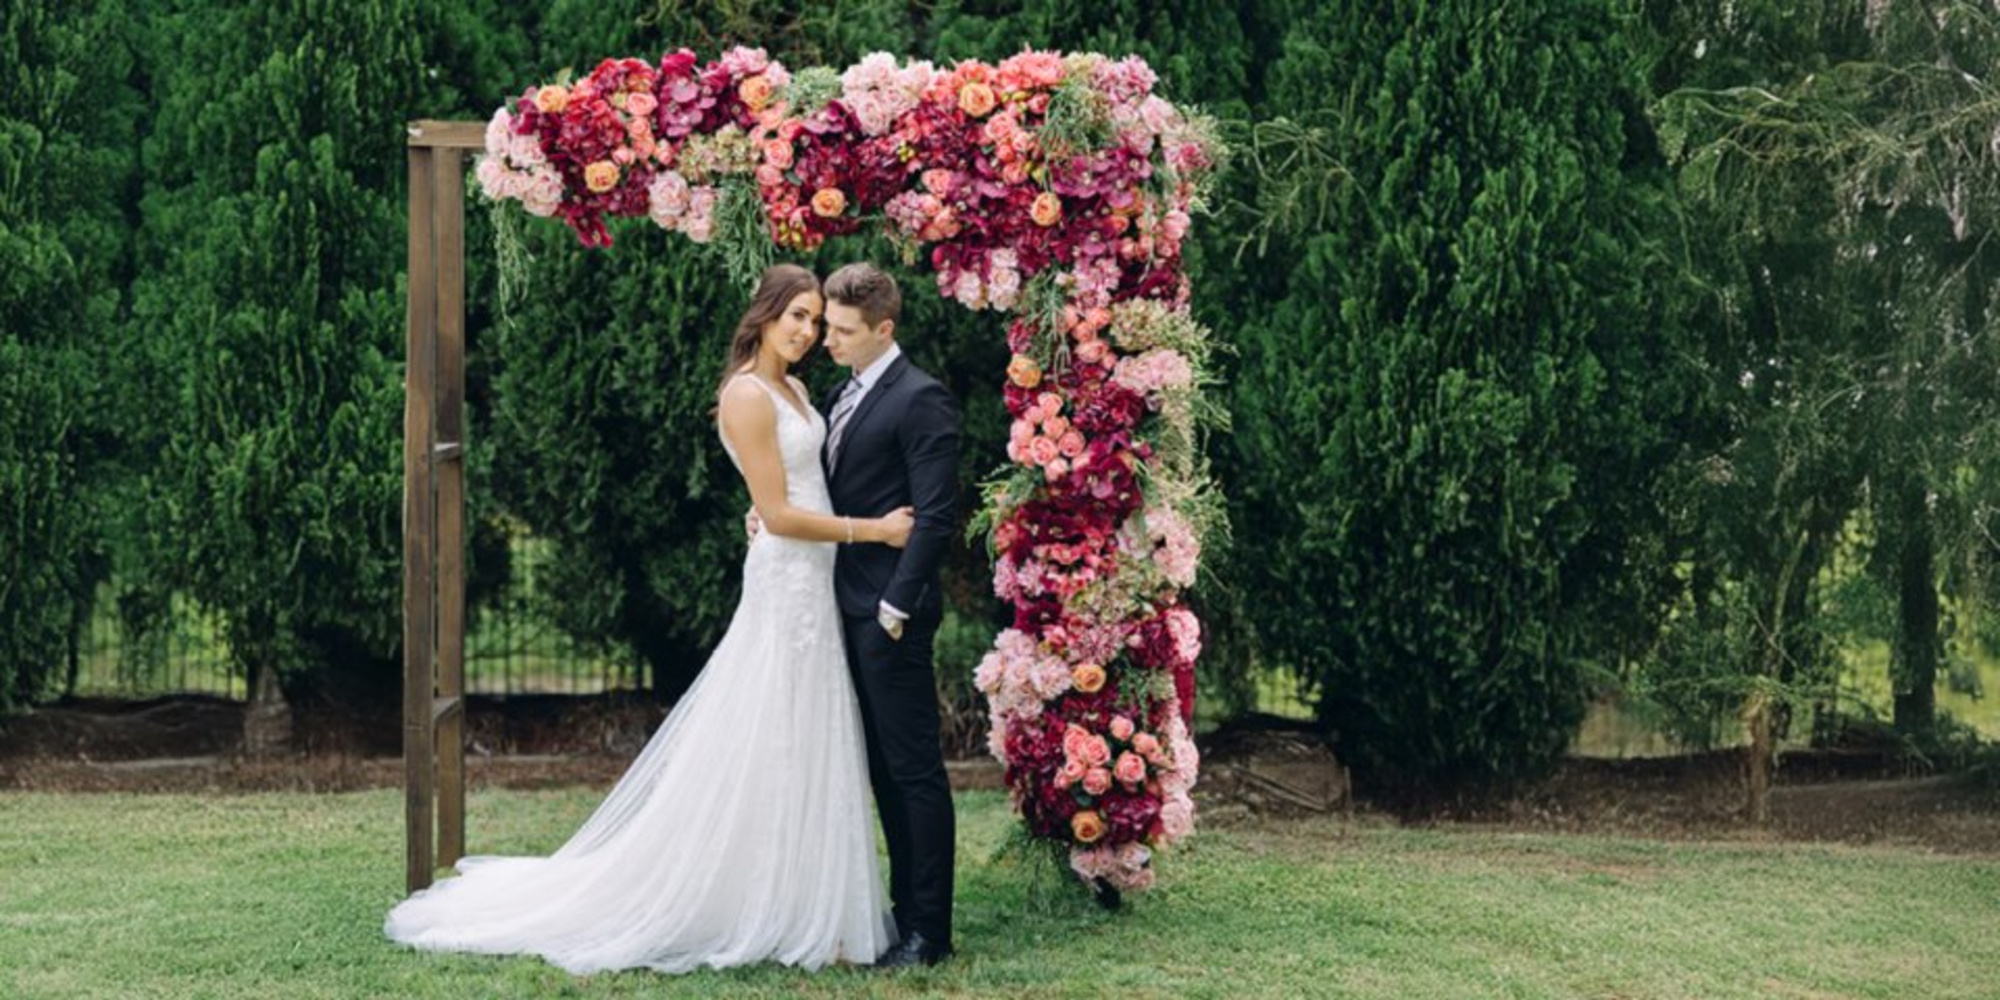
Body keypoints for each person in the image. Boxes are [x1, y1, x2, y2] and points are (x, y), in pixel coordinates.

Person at [383, 263, 911, 974]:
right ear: (764, 314)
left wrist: (785, 519)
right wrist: (874, 532)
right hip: (790, 579)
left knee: (808, 728)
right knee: (777, 727)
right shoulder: (746, 397)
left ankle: (799, 893)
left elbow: (789, 492)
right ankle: (765, 901)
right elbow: (782, 512)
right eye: (797, 316)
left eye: (816, 321)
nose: (808, 331)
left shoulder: (795, 388)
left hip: (815, 576)